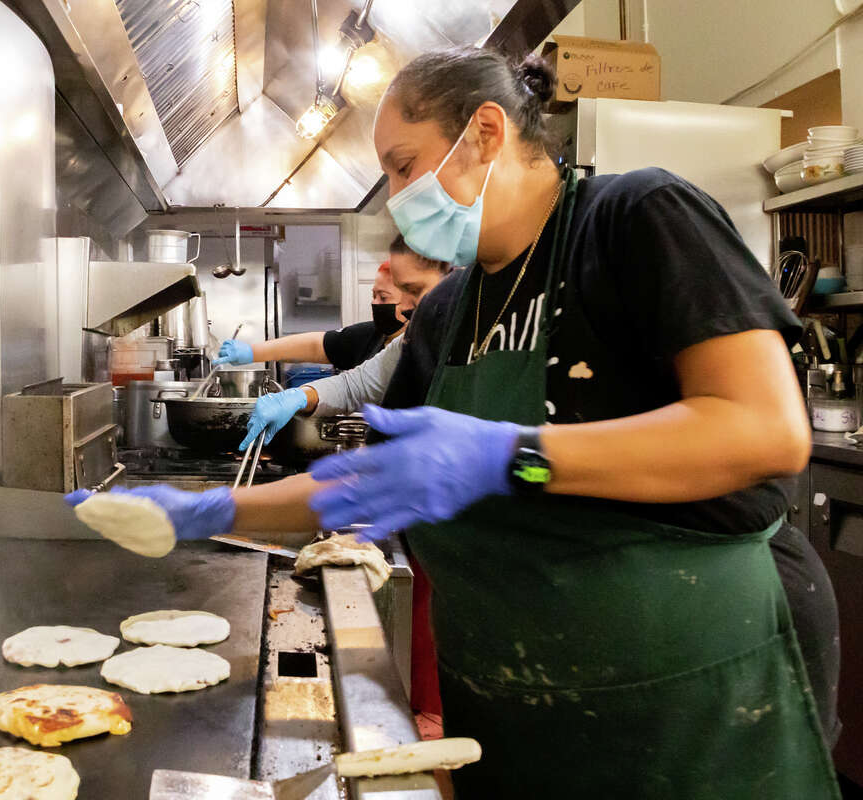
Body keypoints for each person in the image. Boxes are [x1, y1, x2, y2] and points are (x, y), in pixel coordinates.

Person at [71, 47, 842, 797]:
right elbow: (372, 479)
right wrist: (214, 513)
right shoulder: (447, 311)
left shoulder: (636, 218)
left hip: (692, 687)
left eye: (405, 165)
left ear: (485, 134)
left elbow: (764, 430)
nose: (400, 194)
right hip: (517, 698)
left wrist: (516, 456)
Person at [239, 236, 451, 448]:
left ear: (450, 281)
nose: (404, 306)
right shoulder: (414, 339)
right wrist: (299, 397)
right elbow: (353, 387)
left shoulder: (463, 334)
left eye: (413, 290)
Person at [213, 263, 404, 371]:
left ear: (412, 300)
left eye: (384, 297)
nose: (375, 303)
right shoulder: (370, 335)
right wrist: (252, 352)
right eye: (373, 295)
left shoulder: (423, 347)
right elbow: (314, 345)